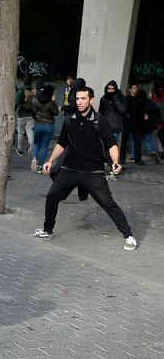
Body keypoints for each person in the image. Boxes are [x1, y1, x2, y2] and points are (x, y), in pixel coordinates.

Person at [36, 87, 137, 251]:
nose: (80, 102)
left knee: (107, 203)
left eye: (83, 98)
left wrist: (116, 162)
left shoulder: (99, 120)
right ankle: (48, 230)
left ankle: (129, 235)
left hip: (93, 171)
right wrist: (50, 161)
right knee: (52, 196)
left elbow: (111, 143)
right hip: (70, 168)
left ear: (91, 99)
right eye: (77, 99)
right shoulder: (70, 120)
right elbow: (62, 143)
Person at [30, 83, 59, 174]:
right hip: (48, 126)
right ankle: (39, 167)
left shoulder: (35, 101)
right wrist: (54, 101)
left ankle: (34, 159)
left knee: (36, 143)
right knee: (44, 145)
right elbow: (56, 113)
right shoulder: (51, 103)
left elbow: (32, 109)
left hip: (38, 125)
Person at [121, 83, 145, 165]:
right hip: (128, 123)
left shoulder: (139, 99)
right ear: (130, 89)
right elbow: (123, 110)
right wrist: (127, 117)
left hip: (137, 124)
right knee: (124, 142)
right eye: (134, 88)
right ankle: (122, 159)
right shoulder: (126, 99)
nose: (136, 89)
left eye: (136, 88)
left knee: (137, 142)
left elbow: (142, 111)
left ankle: (138, 160)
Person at [15, 76, 35, 156]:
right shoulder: (33, 91)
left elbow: (17, 102)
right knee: (30, 131)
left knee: (21, 133)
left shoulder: (20, 91)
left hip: (22, 114)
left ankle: (20, 150)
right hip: (31, 115)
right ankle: (32, 144)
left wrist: (14, 109)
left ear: (23, 82)